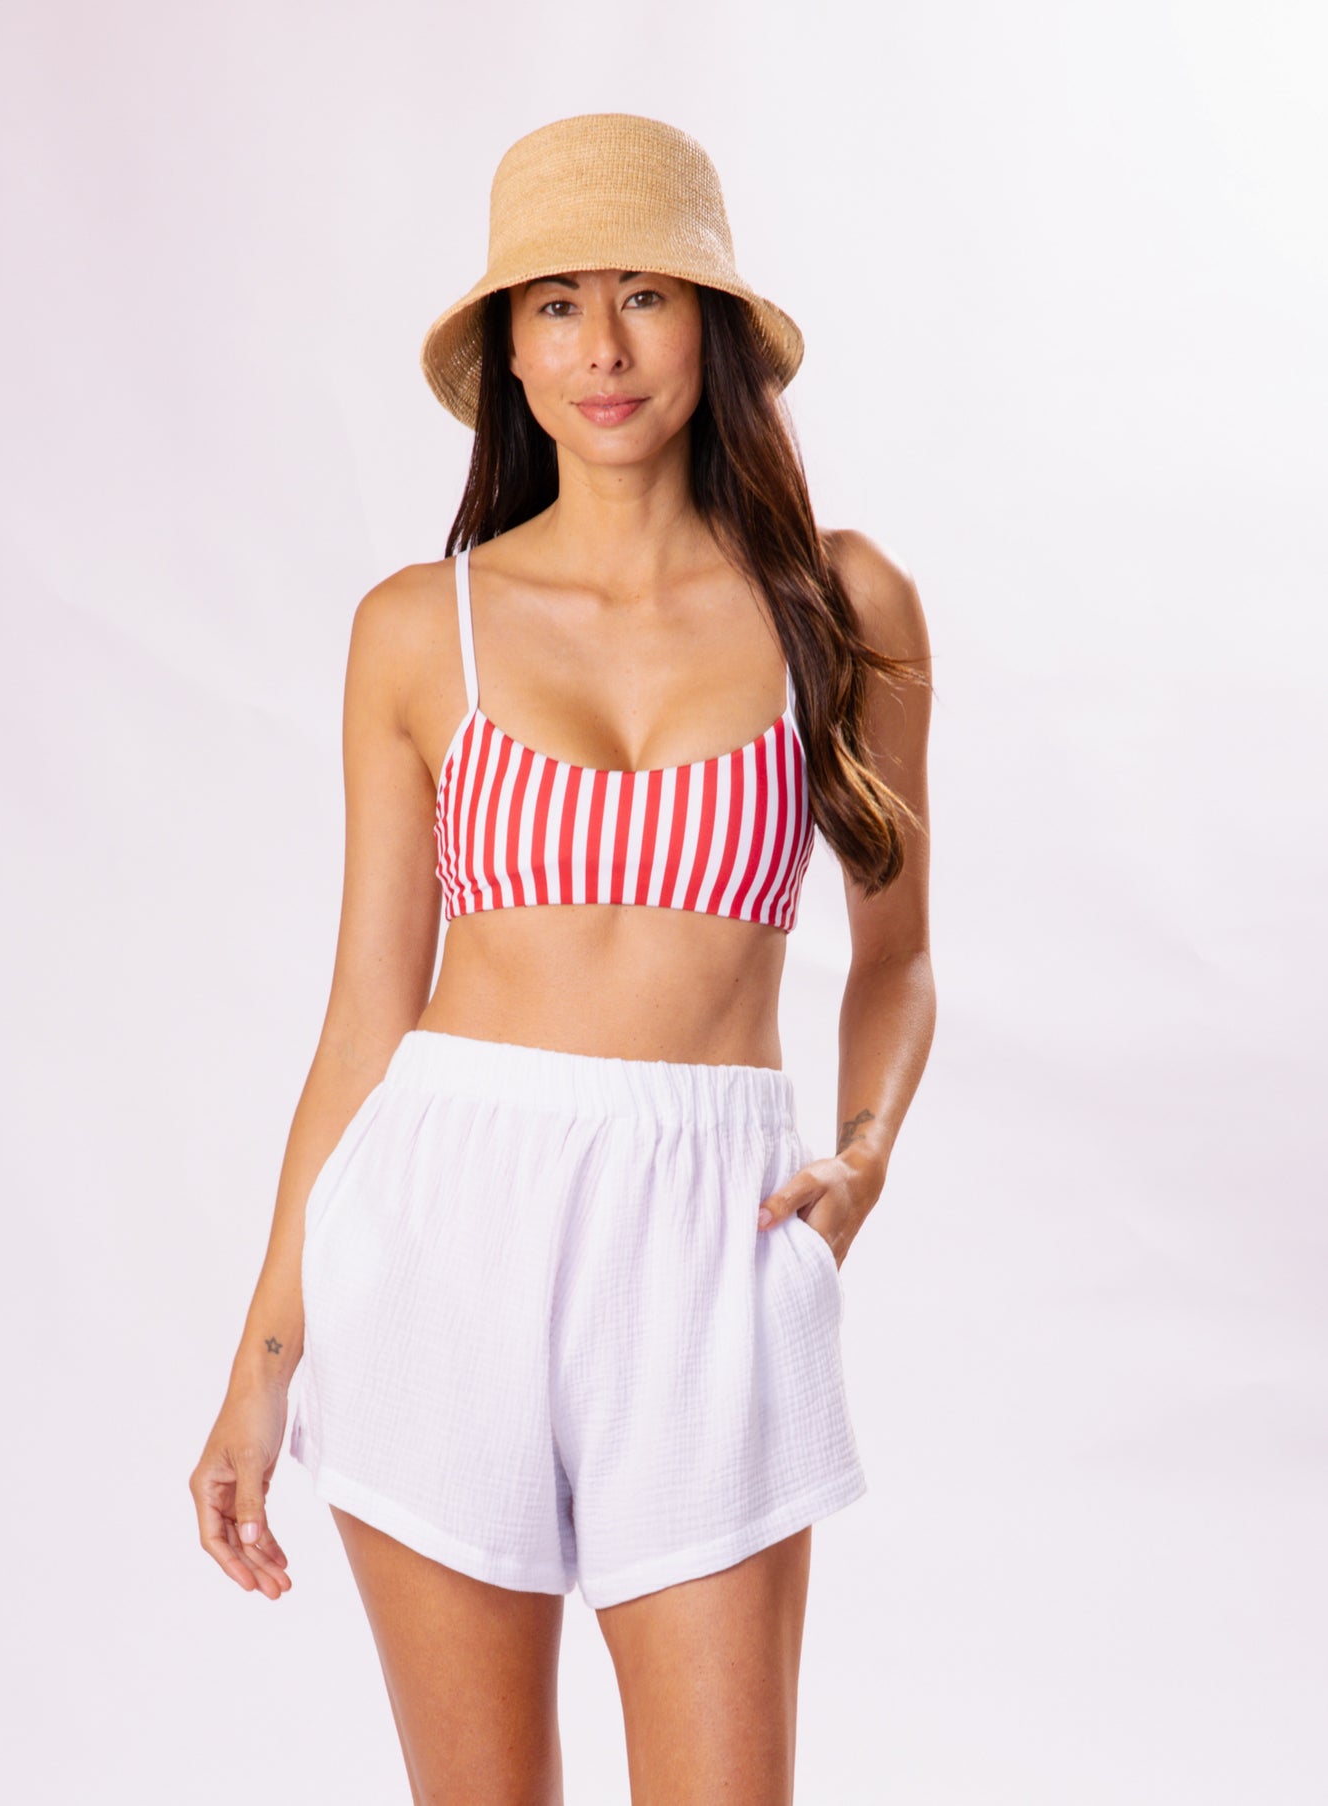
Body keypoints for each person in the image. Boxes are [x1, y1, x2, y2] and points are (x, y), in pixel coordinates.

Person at [190, 111, 935, 1804]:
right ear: (509, 353)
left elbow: (896, 956)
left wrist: (862, 1158)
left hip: (714, 1236)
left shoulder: (840, 604)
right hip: (442, 1234)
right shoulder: (418, 626)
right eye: (554, 304)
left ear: (712, 328)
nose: (601, 347)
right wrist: (258, 1369)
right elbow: (364, 1019)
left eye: (644, 296)